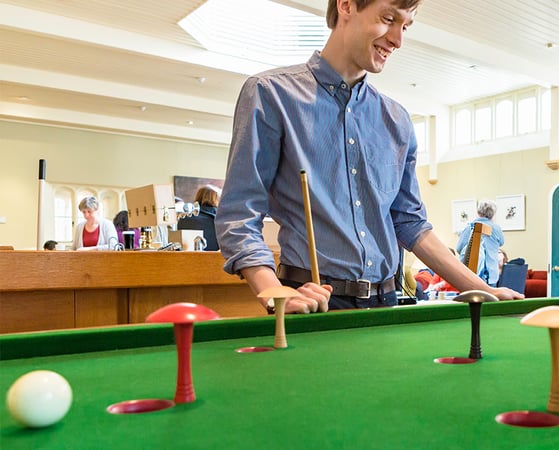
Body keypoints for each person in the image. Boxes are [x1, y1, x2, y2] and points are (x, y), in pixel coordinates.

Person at [216, 0, 523, 315]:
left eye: (405, 26)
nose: (397, 40)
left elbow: (411, 224)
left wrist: (485, 291)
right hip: (310, 302)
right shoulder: (270, 94)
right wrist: (274, 293)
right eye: (388, 19)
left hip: (386, 303)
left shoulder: (397, 119)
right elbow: (238, 216)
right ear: (346, 5)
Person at [455, 201, 505, 286]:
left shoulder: (471, 226)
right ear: (493, 214)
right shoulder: (496, 228)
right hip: (492, 274)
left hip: (473, 273)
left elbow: (459, 248)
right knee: (491, 298)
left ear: (478, 212)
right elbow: (501, 242)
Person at [178, 185, 220, 251]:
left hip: (188, 258)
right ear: (216, 198)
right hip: (216, 258)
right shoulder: (221, 218)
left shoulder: (185, 217)